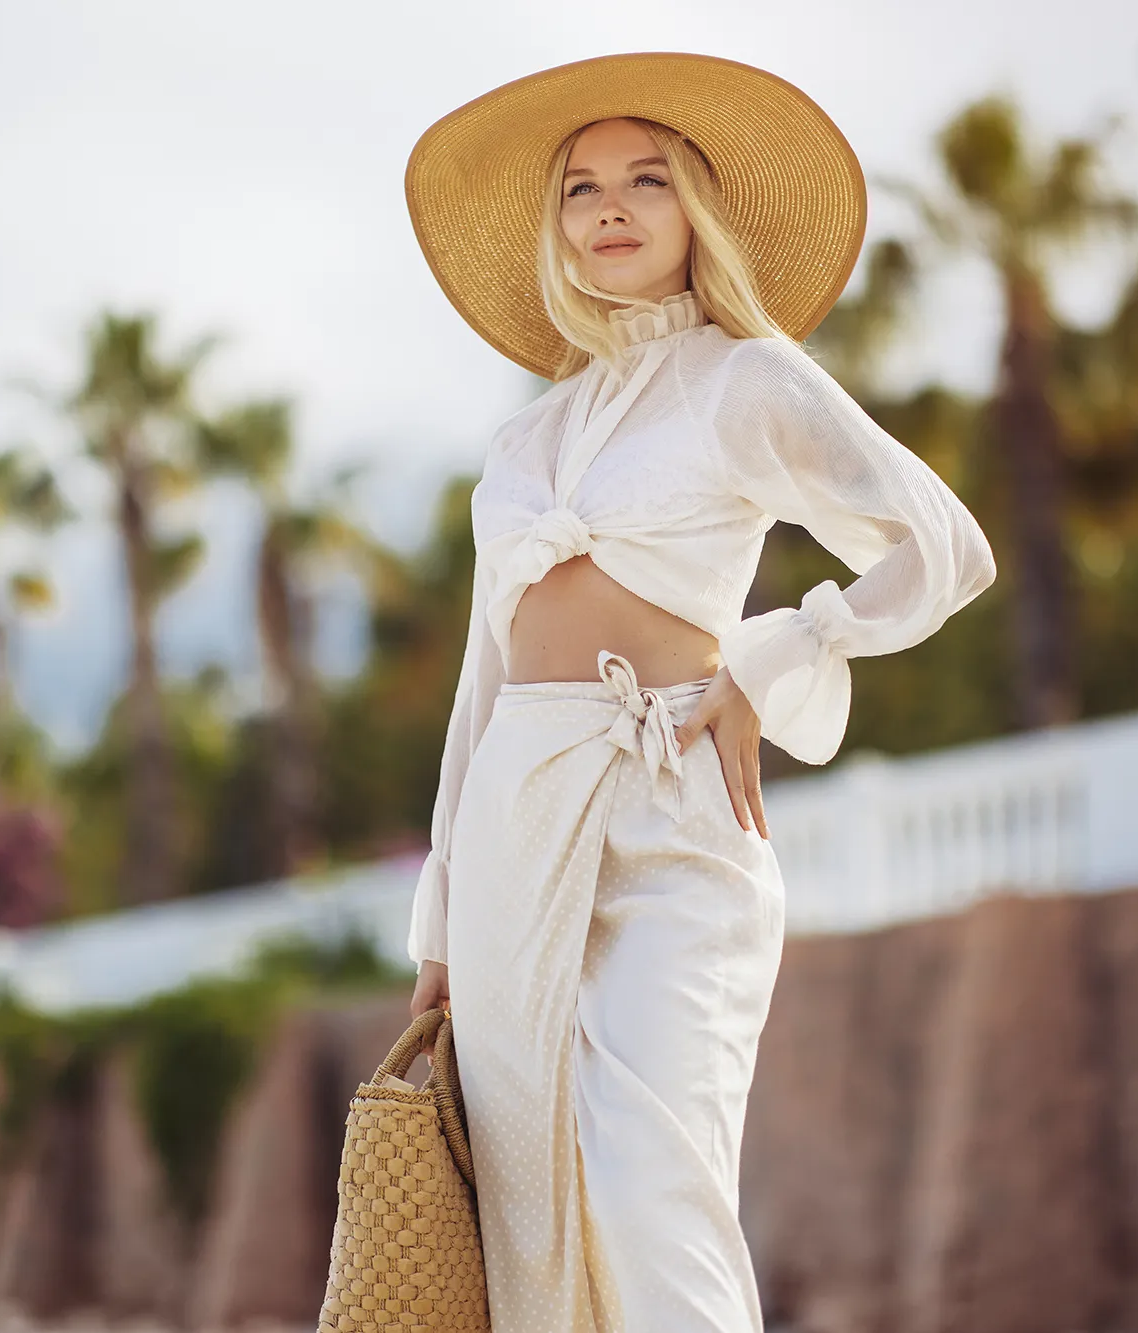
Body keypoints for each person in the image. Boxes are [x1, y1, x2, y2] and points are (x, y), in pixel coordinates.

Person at [400, 52, 997, 1333]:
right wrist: (438, 927)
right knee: (528, 1209)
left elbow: (940, 546)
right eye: (580, 187)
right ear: (555, 225)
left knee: (648, 1191)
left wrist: (770, 658)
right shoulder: (518, 446)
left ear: (694, 211)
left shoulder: (749, 380)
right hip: (511, 834)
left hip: (673, 816)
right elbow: (480, 688)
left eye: (645, 179)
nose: (610, 207)